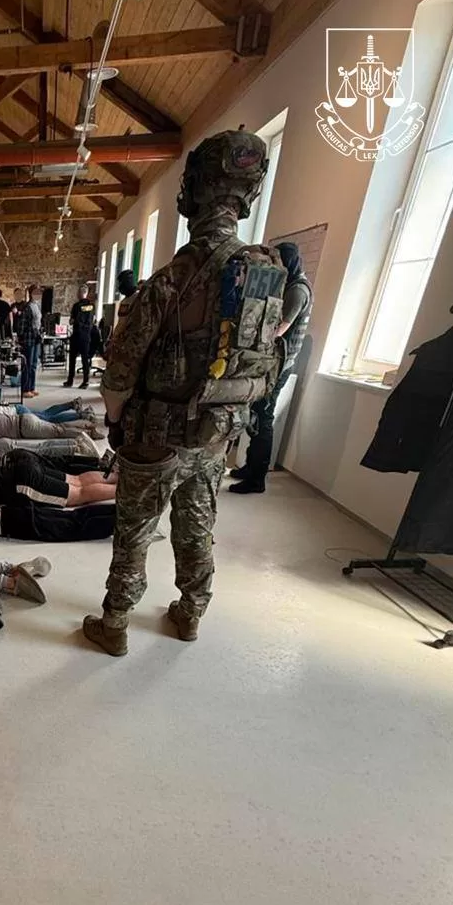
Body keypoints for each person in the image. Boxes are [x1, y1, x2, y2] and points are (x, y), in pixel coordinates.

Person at [82, 129, 285, 657]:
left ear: (193, 192)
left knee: (135, 530)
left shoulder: (172, 278)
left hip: (157, 436)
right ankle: (191, 613)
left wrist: (115, 420)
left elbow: (119, 375)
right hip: (216, 436)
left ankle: (115, 623)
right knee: (197, 526)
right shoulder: (262, 272)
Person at [229, 240, 313, 494]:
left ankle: (257, 478)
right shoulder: (292, 285)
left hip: (279, 366)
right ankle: (250, 467)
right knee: (256, 415)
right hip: (272, 363)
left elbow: (278, 330)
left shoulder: (297, 291)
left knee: (263, 417)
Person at [0, 451, 117, 510]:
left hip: (23, 484)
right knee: (77, 479)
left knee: (79, 494)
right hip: (23, 468)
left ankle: (125, 490)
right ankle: (120, 477)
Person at [0, 402, 103, 441]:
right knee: (55, 423)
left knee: (59, 430)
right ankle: (86, 423)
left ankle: (88, 431)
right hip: (23, 418)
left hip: (26, 428)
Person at [64, 284, 96, 390]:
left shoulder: (79, 306)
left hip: (80, 334)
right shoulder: (89, 306)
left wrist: (75, 321)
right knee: (81, 359)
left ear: (82, 293)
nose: (77, 294)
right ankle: (82, 381)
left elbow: (73, 320)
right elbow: (90, 320)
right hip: (82, 335)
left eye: (78, 292)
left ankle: (74, 381)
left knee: (77, 359)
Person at [20, 284, 43, 397]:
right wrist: (21, 338)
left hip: (36, 338)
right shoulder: (27, 307)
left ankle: (31, 387)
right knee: (27, 365)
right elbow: (22, 325)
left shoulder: (36, 306)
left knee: (34, 365)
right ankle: (25, 389)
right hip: (28, 339)